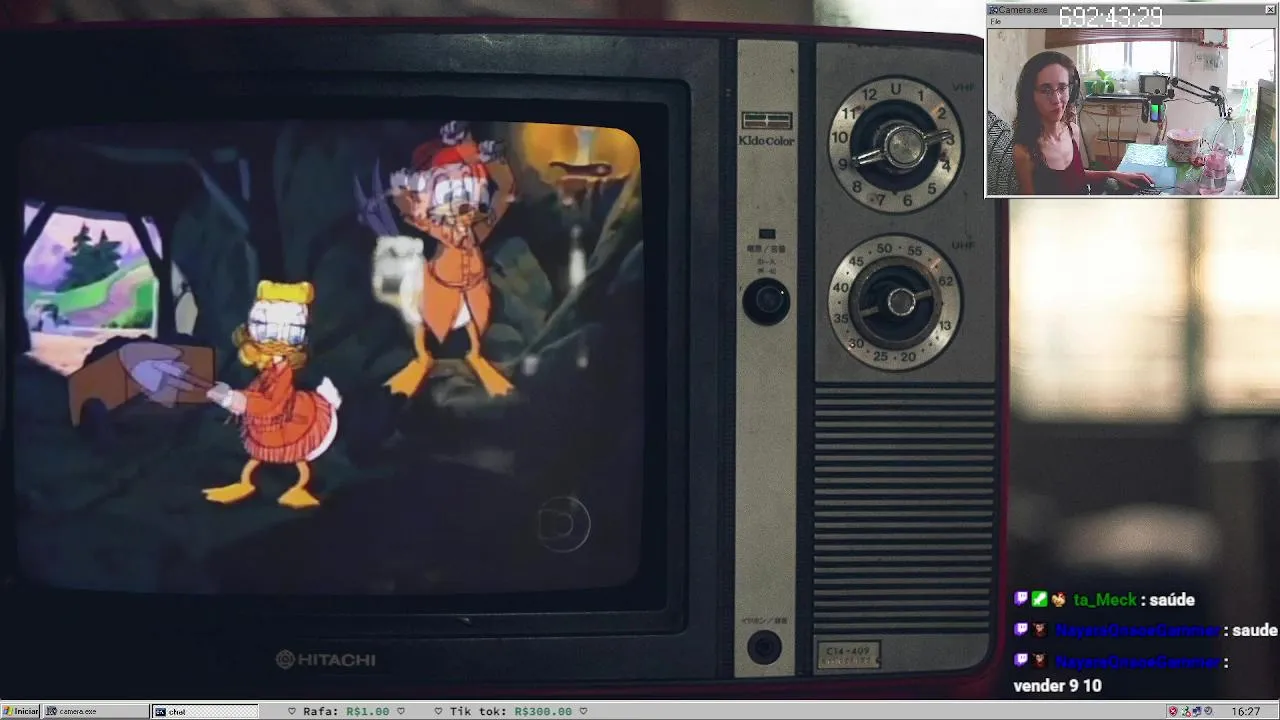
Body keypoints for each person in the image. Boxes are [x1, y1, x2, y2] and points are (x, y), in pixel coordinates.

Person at [1012, 51, 1154, 195]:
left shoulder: (1073, 131)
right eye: (1045, 90)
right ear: (1030, 96)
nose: (1056, 99)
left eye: (1062, 88)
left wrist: (1113, 174)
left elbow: (1075, 176)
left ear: (1071, 90)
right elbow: (1030, 205)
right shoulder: (1024, 153)